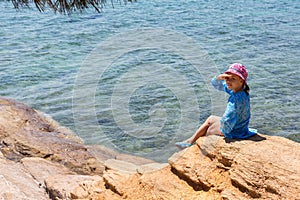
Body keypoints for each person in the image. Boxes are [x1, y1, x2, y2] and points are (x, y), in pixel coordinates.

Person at [175, 63, 257, 149]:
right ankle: (190, 141)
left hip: (235, 131)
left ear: (241, 80)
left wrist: (224, 132)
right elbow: (218, 85)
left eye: (233, 79)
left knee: (209, 130)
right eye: (227, 78)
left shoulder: (236, 99)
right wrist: (219, 78)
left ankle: (191, 143)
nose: (228, 81)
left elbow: (227, 117)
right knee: (211, 119)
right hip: (241, 127)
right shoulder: (240, 91)